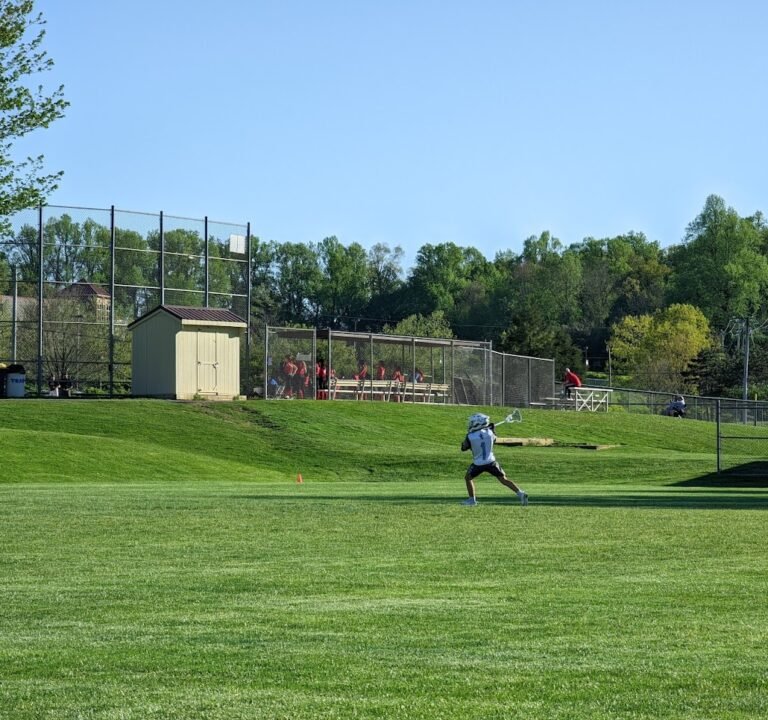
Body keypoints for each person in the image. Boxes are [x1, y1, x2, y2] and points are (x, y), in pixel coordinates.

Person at [460, 413, 528, 506]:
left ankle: (472, 500)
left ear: (478, 423)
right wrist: (492, 429)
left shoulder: (470, 436)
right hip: (491, 462)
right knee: (504, 479)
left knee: (468, 478)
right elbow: (494, 439)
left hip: (478, 464)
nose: (471, 424)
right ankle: (521, 493)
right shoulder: (490, 433)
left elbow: (464, 448)